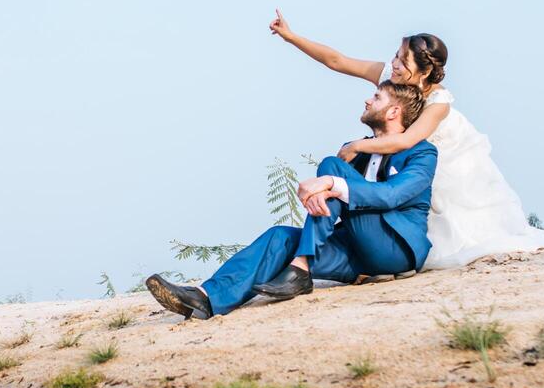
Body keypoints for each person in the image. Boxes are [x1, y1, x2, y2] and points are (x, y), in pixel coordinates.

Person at [268, 10, 544, 269]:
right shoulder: (392, 78)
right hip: (406, 160)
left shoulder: (438, 102)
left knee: (462, 226)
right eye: (396, 56)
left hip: (448, 159)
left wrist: (355, 146)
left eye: (402, 60)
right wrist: (291, 36)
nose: (394, 64)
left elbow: (405, 141)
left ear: (424, 71)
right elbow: (336, 60)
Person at [146, 82, 436, 319]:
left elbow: (392, 195)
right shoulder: (357, 154)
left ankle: (301, 266)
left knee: (331, 168)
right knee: (280, 237)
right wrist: (326, 189)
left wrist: (331, 183)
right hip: (355, 253)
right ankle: (206, 298)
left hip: (395, 251)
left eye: (376, 97)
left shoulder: (423, 153)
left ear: (393, 111)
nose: (367, 100)